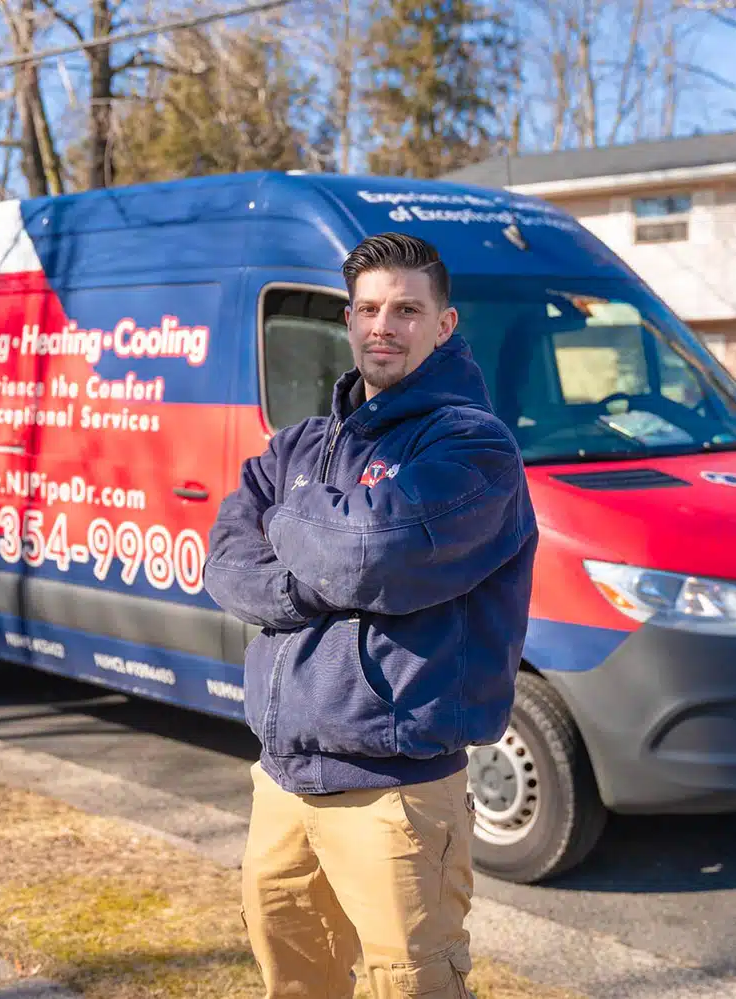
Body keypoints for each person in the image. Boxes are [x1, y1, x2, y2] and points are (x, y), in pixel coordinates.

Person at [203, 232, 538, 998]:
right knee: (293, 981)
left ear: (444, 325)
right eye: (367, 309)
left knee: (410, 986)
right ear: (348, 321)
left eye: (406, 310)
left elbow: (370, 553)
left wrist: (294, 522)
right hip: (283, 783)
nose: (382, 325)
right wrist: (303, 581)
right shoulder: (303, 445)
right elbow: (223, 561)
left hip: (395, 792)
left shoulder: (473, 447)